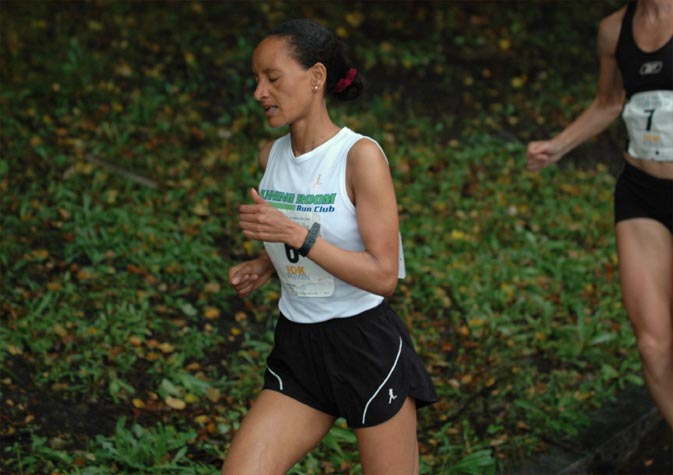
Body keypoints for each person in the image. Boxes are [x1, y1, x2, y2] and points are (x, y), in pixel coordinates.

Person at [225, 19, 437, 475]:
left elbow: (383, 276)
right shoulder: (272, 156)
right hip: (298, 346)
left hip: (364, 344)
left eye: (273, 78)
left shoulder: (359, 157)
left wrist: (295, 236)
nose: (260, 92)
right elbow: (302, 236)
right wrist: (266, 263)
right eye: (256, 80)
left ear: (316, 77)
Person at [526, 0, 672, 428]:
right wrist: (559, 144)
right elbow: (609, 102)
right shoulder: (613, 30)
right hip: (641, 194)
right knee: (652, 346)